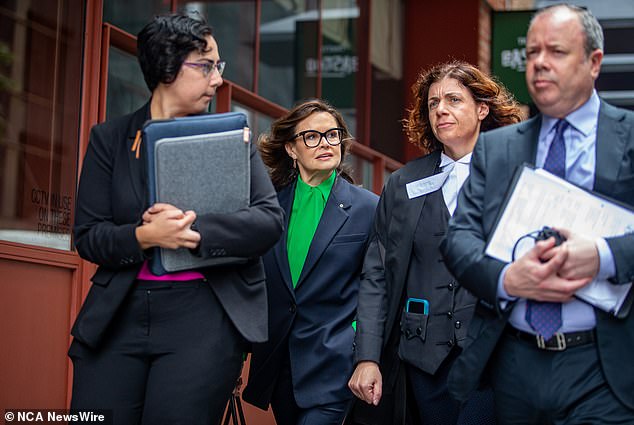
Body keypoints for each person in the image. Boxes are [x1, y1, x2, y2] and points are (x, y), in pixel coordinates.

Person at [69, 14, 284, 425]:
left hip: (203, 318)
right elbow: (89, 236)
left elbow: (268, 221)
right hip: (118, 318)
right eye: (206, 66)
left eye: (219, 67)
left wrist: (193, 231)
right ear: (167, 65)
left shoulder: (232, 138)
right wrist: (144, 236)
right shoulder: (109, 139)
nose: (217, 80)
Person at [441, 5, 634, 424]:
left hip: (604, 365)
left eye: (556, 52)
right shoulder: (497, 149)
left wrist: (603, 255)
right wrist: (507, 279)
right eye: (531, 53)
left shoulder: (630, 137)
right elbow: (458, 239)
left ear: (594, 62)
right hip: (515, 362)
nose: (540, 63)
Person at [347, 61, 522, 425]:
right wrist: (367, 357)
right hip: (424, 359)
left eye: (454, 99)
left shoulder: (517, 175)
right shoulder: (403, 183)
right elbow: (376, 274)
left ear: (482, 109)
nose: (440, 109)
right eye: (432, 103)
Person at [241, 99, 379, 425]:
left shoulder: (369, 207)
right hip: (279, 363)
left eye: (332, 135)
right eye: (312, 137)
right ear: (291, 148)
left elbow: (377, 283)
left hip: (336, 362)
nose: (325, 144)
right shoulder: (269, 207)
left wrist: (357, 343)